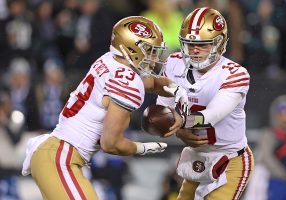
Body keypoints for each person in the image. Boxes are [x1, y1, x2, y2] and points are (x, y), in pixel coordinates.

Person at [21, 16, 188, 200]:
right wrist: (142, 148)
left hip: (55, 153)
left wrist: (178, 89)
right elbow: (110, 144)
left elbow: (152, 82)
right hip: (62, 158)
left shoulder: (110, 60)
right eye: (149, 50)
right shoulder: (128, 82)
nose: (154, 58)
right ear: (130, 47)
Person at [156, 7, 254, 200]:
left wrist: (179, 125)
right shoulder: (174, 64)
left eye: (203, 44)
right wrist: (175, 129)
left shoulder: (235, 74)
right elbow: (163, 110)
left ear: (219, 44)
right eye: (190, 44)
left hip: (229, 159)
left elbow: (210, 116)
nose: (195, 50)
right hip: (198, 156)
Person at [251, 95, 286, 200]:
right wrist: (283, 174)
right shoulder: (268, 134)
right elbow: (267, 158)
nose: (284, 117)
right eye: (281, 114)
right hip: (276, 181)